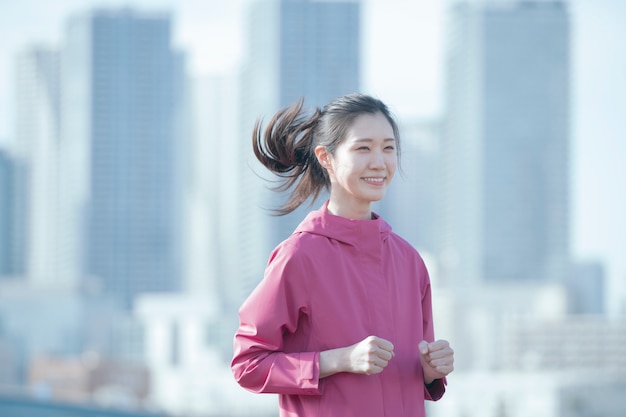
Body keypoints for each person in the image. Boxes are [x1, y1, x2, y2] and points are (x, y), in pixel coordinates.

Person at [231, 93, 454, 417]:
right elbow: (247, 363)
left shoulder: (410, 262)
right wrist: (339, 360)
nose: (379, 161)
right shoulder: (300, 256)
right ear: (326, 157)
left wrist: (432, 372)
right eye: (363, 148)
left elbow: (411, 377)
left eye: (388, 147)